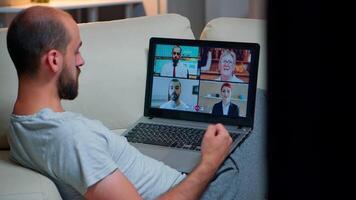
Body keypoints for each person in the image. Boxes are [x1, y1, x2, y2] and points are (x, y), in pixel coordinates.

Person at [6, 6, 237, 200]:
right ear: (54, 60)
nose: (81, 61)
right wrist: (209, 161)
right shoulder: (73, 137)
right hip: (207, 189)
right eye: (76, 51)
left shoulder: (19, 123)